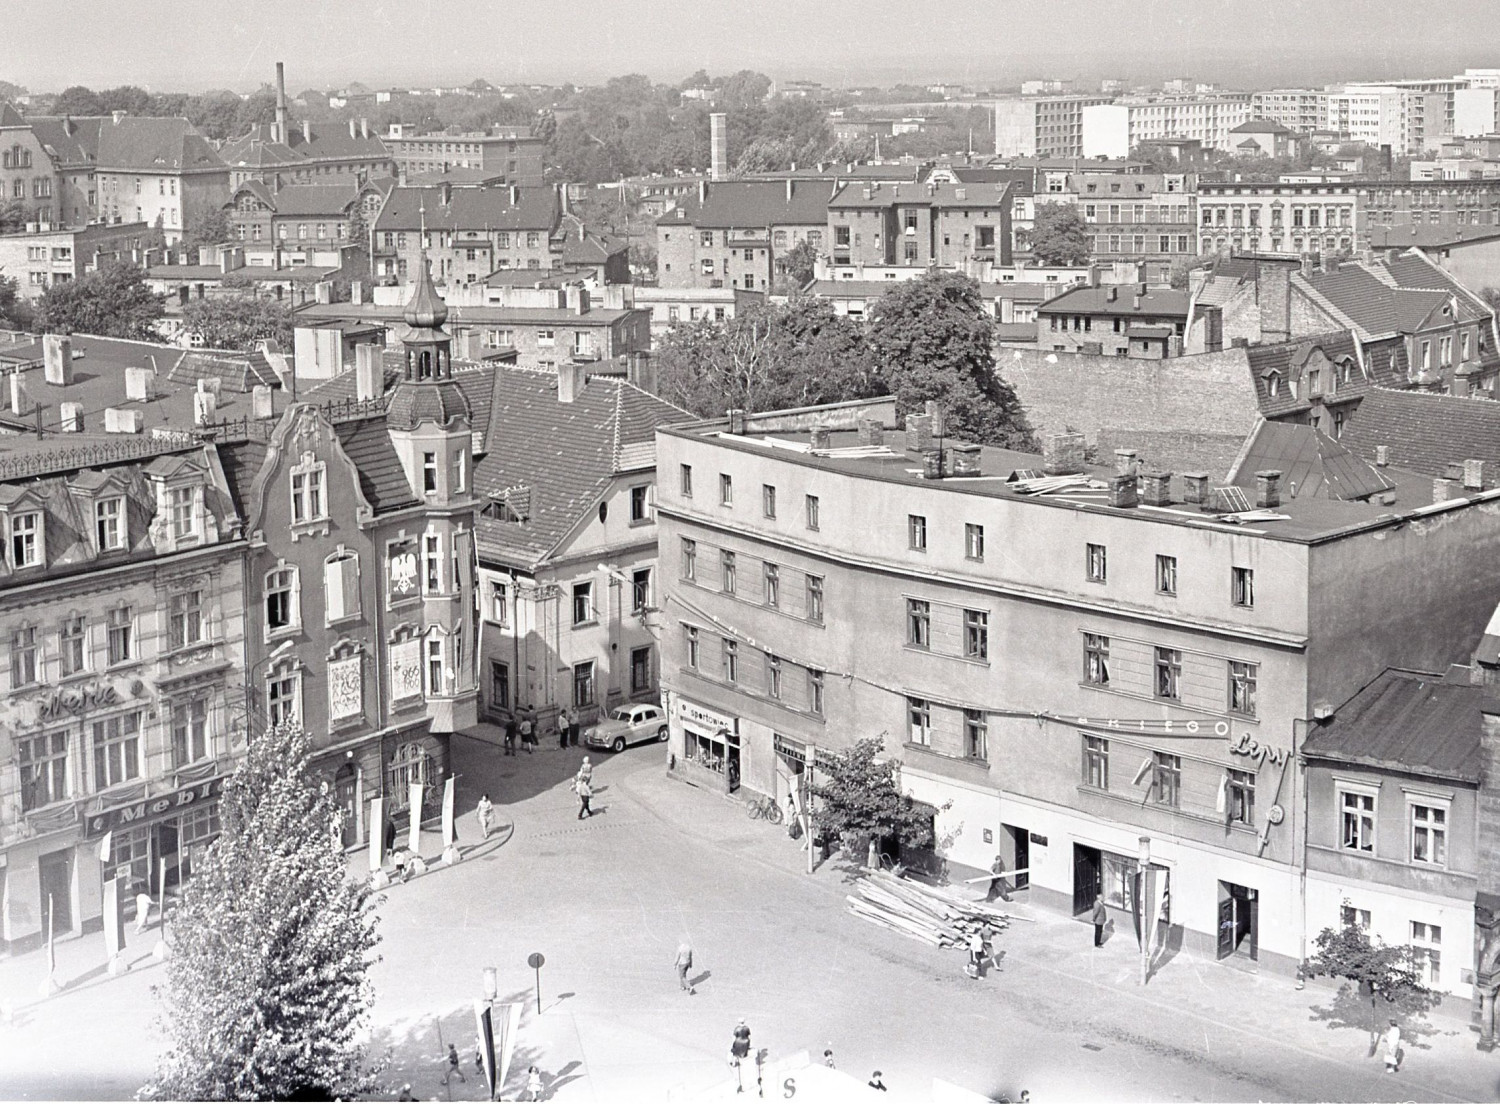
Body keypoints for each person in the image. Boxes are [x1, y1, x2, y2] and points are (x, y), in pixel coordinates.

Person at [729, 1018, 752, 1093]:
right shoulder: (747, 1028)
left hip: (738, 1042)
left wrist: (732, 1045)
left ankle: (734, 1061)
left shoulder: (737, 1029)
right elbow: (749, 1037)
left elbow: (734, 1038)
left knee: (734, 1051)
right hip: (745, 1042)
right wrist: (748, 1044)